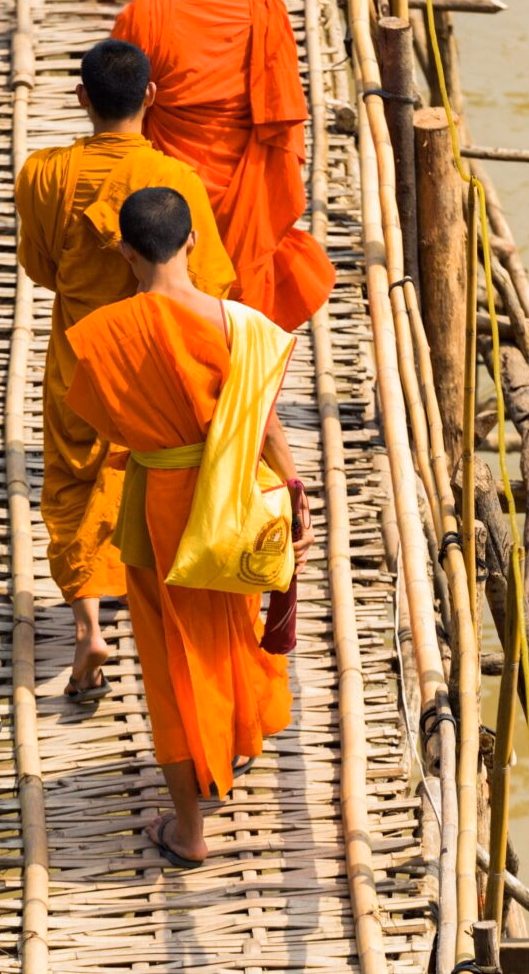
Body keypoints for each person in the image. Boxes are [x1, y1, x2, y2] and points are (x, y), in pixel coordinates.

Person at [65, 187, 314, 867]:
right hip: (237, 500)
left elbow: (104, 425)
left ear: (122, 251)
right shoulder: (243, 325)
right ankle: (232, 744)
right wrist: (293, 493)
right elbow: (265, 425)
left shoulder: (99, 336)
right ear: (194, 242)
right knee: (229, 626)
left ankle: (190, 829)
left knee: (170, 657)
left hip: (163, 510)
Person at [15, 39, 235, 702]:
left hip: (80, 353)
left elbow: (38, 267)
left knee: (73, 485)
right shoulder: (180, 182)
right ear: (151, 97)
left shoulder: (43, 174)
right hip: (156, 361)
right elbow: (213, 284)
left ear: (81, 98)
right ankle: (156, 616)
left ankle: (88, 625)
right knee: (145, 482)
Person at [112, 0, 335, 332]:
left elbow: (121, 111)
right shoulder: (264, 5)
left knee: (173, 321)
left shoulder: (146, 12)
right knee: (245, 320)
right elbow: (284, 108)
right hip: (250, 188)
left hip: (170, 202)